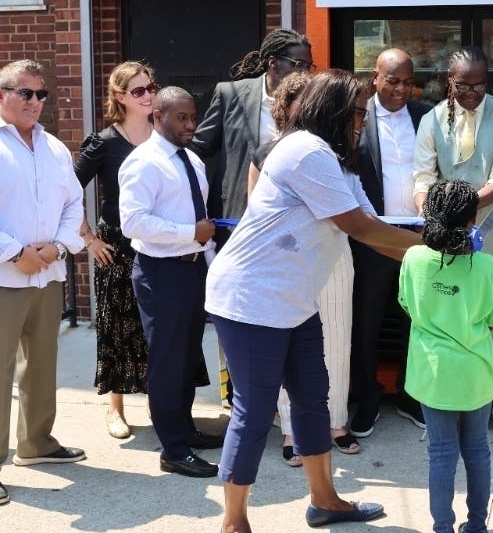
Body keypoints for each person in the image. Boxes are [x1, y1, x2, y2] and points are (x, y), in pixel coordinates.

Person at [205, 70, 420, 533]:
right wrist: (436, 250)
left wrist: (432, 250)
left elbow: (374, 229)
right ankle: (234, 523)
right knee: (254, 411)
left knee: (311, 400)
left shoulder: (340, 162)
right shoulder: (306, 151)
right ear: (335, 111)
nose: (363, 122)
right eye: (358, 113)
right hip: (250, 299)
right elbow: (358, 227)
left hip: (293, 300)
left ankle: (325, 502)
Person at [191, 29, 313, 404]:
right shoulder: (231, 94)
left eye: (309, 66)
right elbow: (200, 147)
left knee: (281, 307)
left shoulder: (309, 99)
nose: (305, 73)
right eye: (299, 64)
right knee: (237, 307)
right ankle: (236, 392)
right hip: (239, 220)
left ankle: (279, 396)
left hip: (291, 225)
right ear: (273, 63)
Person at [246, 71, 361, 466]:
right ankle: (292, 430)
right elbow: (257, 212)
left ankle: (336, 423)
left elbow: (360, 212)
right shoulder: (278, 153)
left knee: (336, 341)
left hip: (334, 256)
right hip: (291, 262)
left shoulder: (339, 152)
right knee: (289, 349)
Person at [412, 46, 493, 452]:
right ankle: (454, 406)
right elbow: (422, 177)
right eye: (464, 86)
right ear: (449, 81)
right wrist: (431, 214)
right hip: (444, 227)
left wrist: (459, 209)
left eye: (479, 85)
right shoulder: (431, 120)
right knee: (449, 317)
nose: (472, 93)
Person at [119, 86, 225, 478]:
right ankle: (173, 450)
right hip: (161, 273)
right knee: (167, 361)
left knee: (187, 356)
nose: (190, 124)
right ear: (158, 117)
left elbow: (200, 222)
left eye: (193, 116)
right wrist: (189, 233)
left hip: (193, 269)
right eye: (181, 118)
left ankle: (184, 429)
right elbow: (133, 222)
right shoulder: (143, 162)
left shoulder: (192, 159)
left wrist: (209, 260)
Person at [75, 62, 178, 440]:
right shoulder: (104, 142)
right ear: (119, 97)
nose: (149, 95)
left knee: (160, 327)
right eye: (138, 90)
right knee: (117, 326)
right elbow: (66, 192)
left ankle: (160, 403)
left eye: (151, 87)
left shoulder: (164, 137)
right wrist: (89, 238)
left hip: (160, 243)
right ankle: (115, 407)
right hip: (116, 247)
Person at [0, 60, 86, 506]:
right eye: (25, 93)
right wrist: (16, 252)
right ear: (2, 95)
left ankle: (36, 443)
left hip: (47, 273)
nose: (35, 102)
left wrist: (56, 247)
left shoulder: (54, 148)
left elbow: (75, 202)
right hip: (4, 274)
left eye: (41, 94)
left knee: (41, 362)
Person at [399, 180, 493, 533]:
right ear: (473, 219)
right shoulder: (487, 266)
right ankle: (477, 525)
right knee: (477, 449)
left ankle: (442, 528)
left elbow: (406, 304)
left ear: (428, 215)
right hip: (475, 373)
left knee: (441, 452)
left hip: (432, 374)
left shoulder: (413, 258)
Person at [349, 48, 432, 438]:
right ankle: (366, 398)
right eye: (393, 81)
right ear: (375, 78)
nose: (401, 89)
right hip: (372, 235)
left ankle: (410, 396)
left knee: (415, 321)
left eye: (408, 82)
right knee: (365, 322)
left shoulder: (426, 115)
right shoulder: (356, 116)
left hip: (417, 236)